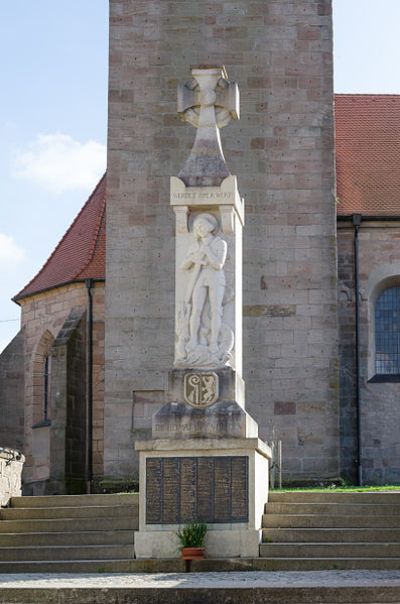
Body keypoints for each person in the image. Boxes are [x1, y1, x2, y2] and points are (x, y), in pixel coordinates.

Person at [181, 214, 227, 354]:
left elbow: (218, 265)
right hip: (199, 277)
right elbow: (184, 265)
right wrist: (194, 259)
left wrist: (207, 251)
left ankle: (214, 342)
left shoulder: (219, 243)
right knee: (196, 309)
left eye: (202, 226)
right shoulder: (196, 245)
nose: (199, 229)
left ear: (210, 227)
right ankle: (193, 340)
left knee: (216, 310)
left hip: (215, 278)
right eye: (196, 227)